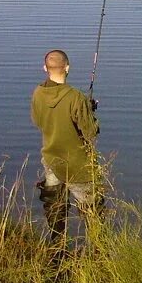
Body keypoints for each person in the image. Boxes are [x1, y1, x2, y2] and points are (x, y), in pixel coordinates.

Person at [30, 49, 101, 253]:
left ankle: (58, 249)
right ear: (67, 68)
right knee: (92, 211)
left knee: (55, 208)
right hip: (79, 166)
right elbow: (90, 133)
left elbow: (37, 121)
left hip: (52, 161)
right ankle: (96, 253)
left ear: (45, 68)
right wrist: (90, 112)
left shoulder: (37, 93)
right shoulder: (76, 97)